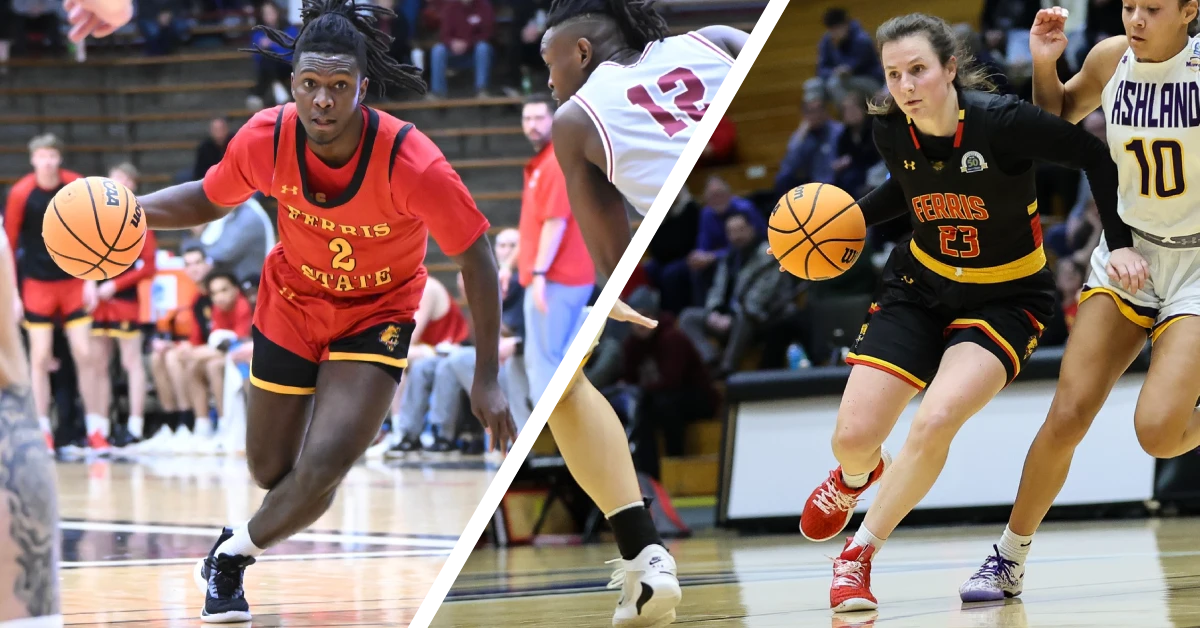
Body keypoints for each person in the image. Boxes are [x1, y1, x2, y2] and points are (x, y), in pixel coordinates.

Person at [134, 0, 515, 621]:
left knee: (327, 464)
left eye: (339, 87)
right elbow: (207, 198)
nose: (323, 101)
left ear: (363, 87)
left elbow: (478, 259)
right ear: (292, 84)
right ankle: (270, 507)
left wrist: (487, 375)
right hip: (293, 300)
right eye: (309, 84)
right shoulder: (267, 137)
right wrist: (130, 204)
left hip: (378, 310)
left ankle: (230, 558)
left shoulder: (412, 162)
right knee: (270, 470)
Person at [786, 13, 1144, 613]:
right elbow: (909, 191)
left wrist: (1123, 240)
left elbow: (1097, 158)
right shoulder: (888, 128)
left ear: (950, 68)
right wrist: (837, 223)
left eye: (918, 70)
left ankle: (857, 555)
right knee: (853, 439)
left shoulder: (1001, 122)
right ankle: (855, 477)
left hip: (1006, 298)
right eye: (894, 73)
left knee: (935, 419)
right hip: (919, 287)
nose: (905, 85)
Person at [962, 2, 1200, 602]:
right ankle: (1008, 557)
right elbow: (1055, 123)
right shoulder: (1109, 57)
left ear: (1189, 12)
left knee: (1158, 432)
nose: (1136, 19)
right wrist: (1046, 64)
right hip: (1128, 254)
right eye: (1127, 7)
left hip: (1197, 260)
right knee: (1067, 414)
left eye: (1151, 8)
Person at [540, 0, 747, 624]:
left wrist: (608, 295)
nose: (549, 83)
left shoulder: (575, 118)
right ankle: (644, 563)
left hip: (684, 257)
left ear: (580, 52)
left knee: (563, 392)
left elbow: (609, 259)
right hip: (751, 228)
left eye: (550, 66)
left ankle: (645, 559)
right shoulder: (715, 39)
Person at [4, 134, 108, 454]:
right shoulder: (21, 193)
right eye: (42, 156)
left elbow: (95, 230)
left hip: (75, 279)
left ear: (59, 158)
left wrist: (92, 278)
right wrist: (12, 294)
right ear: (33, 160)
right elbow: (8, 244)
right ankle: (42, 430)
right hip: (37, 282)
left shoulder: (76, 186)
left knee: (85, 353)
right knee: (39, 356)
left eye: (52, 155)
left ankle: (96, 429)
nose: (47, 161)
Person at [90, 163, 158, 449]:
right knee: (99, 364)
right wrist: (88, 283)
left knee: (132, 363)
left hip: (125, 299)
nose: (120, 183)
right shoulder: (92, 216)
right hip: (97, 301)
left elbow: (149, 266)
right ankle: (100, 428)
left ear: (133, 185)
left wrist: (115, 285)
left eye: (126, 180)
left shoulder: (139, 219)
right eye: (115, 179)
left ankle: (135, 425)